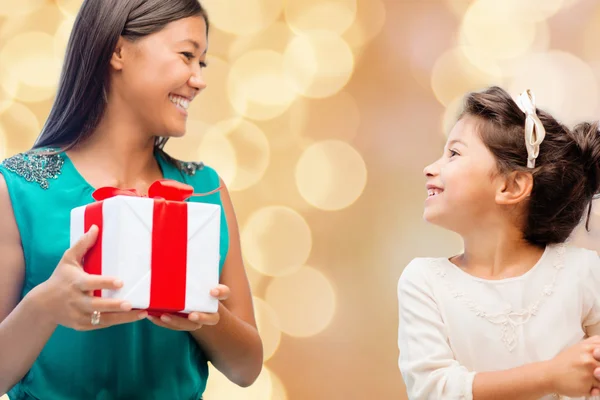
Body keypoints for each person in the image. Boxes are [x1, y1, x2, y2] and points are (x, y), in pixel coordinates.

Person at [0, 0, 263, 399]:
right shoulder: (20, 189)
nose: (198, 79)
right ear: (119, 51)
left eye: (202, 63)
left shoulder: (206, 191)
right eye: (187, 55)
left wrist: (207, 317)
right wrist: (45, 305)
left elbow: (247, 369)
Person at [397, 86, 600, 400]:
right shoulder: (424, 282)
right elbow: (432, 390)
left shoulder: (583, 272)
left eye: (454, 153)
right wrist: (551, 376)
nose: (430, 168)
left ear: (511, 185)